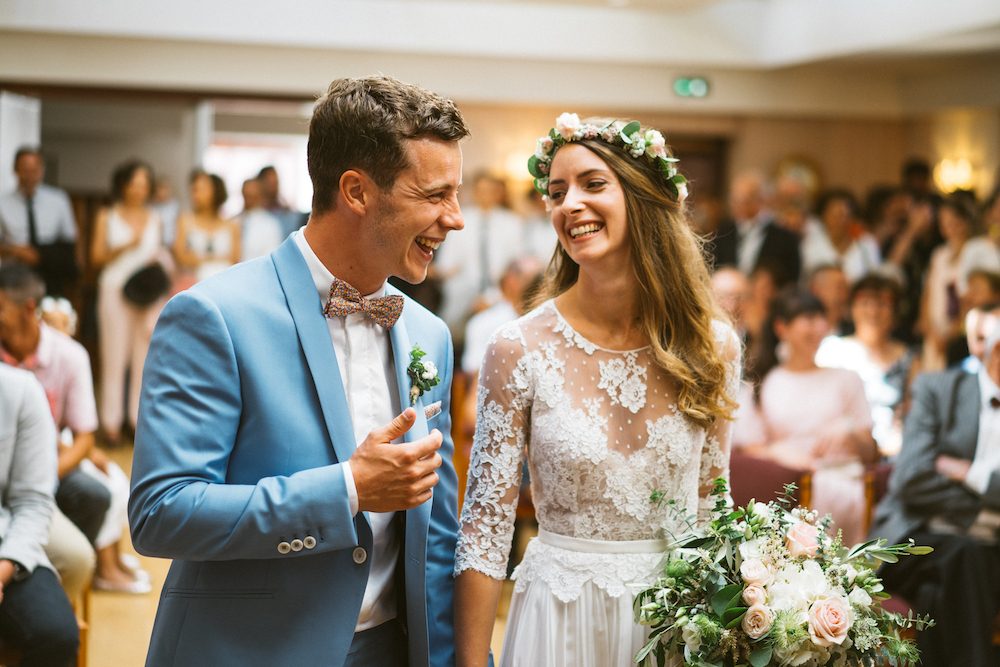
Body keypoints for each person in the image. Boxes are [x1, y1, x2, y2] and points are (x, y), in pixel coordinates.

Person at [129, 75, 468, 667]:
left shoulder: (429, 335)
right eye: (435, 195)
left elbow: (435, 533)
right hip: (252, 649)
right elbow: (162, 513)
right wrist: (346, 490)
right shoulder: (214, 316)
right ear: (357, 191)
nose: (456, 218)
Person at [453, 113, 741, 666]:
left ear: (644, 198)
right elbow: (485, 532)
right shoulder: (516, 348)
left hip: (674, 625)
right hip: (557, 623)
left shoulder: (713, 348)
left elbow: (713, 511)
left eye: (592, 184)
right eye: (557, 192)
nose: (569, 205)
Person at [0, 265, 148, 593]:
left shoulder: (69, 356)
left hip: (50, 460)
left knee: (97, 493)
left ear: (27, 308)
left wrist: (39, 477)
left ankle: (70, 579)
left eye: (0, 308)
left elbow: (83, 438)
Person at [871, 322, 1000, 667]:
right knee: (964, 555)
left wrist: (966, 473)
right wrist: (986, 507)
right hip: (914, 540)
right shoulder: (938, 389)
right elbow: (911, 479)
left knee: (940, 590)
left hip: (989, 551)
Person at [737, 288, 877, 545]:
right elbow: (748, 449)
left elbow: (871, 451)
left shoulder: (846, 379)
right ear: (782, 327)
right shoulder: (764, 382)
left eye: (822, 318)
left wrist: (850, 430)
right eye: (809, 318)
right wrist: (776, 452)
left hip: (845, 486)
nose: (819, 327)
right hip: (785, 492)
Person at [0, 364, 80, 666]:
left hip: (5, 544)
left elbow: (32, 502)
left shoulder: (19, 390)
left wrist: (3, 572)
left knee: (56, 634)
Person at [90, 159, 169, 445]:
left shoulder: (155, 218)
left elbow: (159, 256)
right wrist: (126, 246)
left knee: (143, 359)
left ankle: (136, 422)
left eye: (144, 185)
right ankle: (110, 423)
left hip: (146, 293)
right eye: (134, 184)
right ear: (123, 185)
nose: (139, 190)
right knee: (114, 357)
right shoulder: (106, 215)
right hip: (113, 289)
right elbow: (95, 258)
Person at [817, 273, 919, 457]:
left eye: (882, 304)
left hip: (894, 453)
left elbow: (914, 409)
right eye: (865, 303)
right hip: (842, 449)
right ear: (852, 308)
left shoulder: (909, 358)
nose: (873, 312)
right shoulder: (832, 350)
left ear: (895, 312)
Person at [435, 171, 525, 337]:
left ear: (499, 193)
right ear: (474, 192)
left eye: (491, 190)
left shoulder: (512, 223)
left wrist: (492, 298)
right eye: (481, 190)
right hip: (462, 296)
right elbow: (447, 265)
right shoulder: (460, 220)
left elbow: (515, 266)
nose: (486, 195)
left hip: (500, 296)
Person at [919, 195, 1000, 370]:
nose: (950, 227)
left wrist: (954, 332)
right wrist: (929, 329)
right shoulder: (939, 254)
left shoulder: (979, 250)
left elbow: (976, 295)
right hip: (935, 328)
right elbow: (928, 292)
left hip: (963, 329)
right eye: (944, 222)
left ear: (965, 221)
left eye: (954, 221)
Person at [0, 147, 79, 296]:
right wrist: (16, 251)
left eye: (34, 170)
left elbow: (69, 242)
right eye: (25, 170)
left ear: (41, 170)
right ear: (15, 170)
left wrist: (42, 254)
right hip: (13, 275)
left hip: (50, 272)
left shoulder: (58, 200)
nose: (30, 176)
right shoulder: (2, 203)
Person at [708, 170, 801, 287]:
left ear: (761, 200)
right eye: (733, 200)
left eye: (744, 200)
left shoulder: (785, 237)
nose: (736, 205)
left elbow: (791, 279)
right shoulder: (723, 231)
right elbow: (713, 267)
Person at [172, 169, 240, 283]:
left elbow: (235, 259)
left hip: (225, 283)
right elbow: (180, 257)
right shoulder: (185, 220)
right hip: (193, 284)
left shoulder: (231, 225)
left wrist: (198, 258)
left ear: (216, 191)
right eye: (194, 190)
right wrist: (218, 258)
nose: (196, 195)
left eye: (201, 189)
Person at [801, 189, 882, 283]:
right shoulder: (809, 244)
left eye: (846, 216)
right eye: (836, 216)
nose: (841, 221)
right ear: (823, 217)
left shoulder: (866, 243)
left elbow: (874, 277)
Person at [239, 177, 284, 261]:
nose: (249, 199)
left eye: (252, 196)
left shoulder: (270, 225)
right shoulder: (234, 222)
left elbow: (270, 258)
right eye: (246, 195)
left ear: (261, 196)